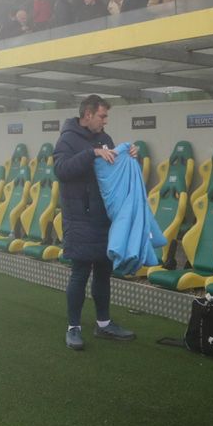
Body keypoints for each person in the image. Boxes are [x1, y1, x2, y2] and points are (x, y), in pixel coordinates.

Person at [52, 95, 139, 351]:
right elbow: (61, 170)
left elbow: (115, 171)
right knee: (80, 273)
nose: (105, 120)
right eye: (102, 116)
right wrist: (91, 153)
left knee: (103, 271)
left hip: (104, 218)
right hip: (79, 218)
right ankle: (73, 328)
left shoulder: (105, 138)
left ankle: (104, 324)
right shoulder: (67, 139)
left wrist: (130, 156)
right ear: (88, 115)